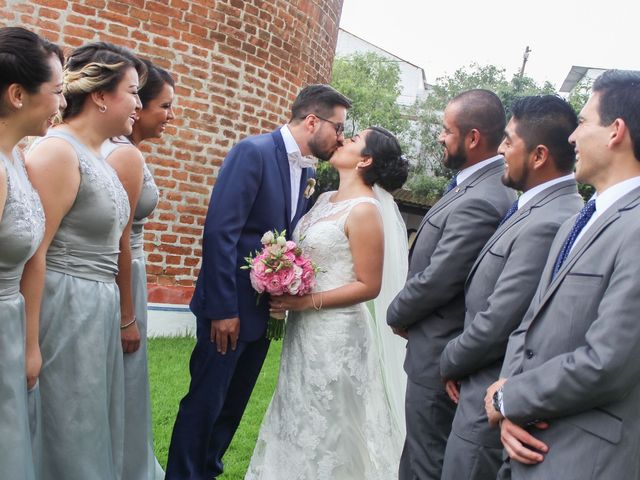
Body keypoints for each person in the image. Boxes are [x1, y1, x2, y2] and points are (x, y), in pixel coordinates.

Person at [165, 84, 352, 479]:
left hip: (264, 313)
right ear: (312, 121)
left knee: (233, 406)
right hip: (229, 310)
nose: (340, 136)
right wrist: (222, 310)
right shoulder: (253, 152)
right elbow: (221, 232)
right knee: (205, 403)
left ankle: (208, 471)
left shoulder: (308, 170)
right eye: (338, 127)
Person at [484, 70, 640, 480]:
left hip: (580, 455)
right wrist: (509, 401)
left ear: (615, 132)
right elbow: (530, 323)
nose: (572, 138)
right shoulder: (580, 220)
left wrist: (512, 398)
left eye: (584, 122)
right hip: (524, 440)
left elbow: (608, 362)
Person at [245, 126, 409, 479]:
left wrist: (305, 303)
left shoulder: (365, 210)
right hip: (303, 332)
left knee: (331, 419)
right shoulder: (323, 199)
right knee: (297, 409)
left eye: (353, 140)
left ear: (365, 160)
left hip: (337, 333)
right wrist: (280, 272)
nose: (343, 140)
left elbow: (369, 285)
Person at [439, 95, 583, 480]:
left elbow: (500, 319)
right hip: (475, 387)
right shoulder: (534, 207)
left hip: (488, 394)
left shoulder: (550, 220)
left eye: (508, 140)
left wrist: (448, 360)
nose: (500, 148)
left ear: (537, 155)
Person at [22, 42, 145, 480]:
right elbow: (34, 252)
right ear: (100, 95)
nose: (138, 104)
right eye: (132, 91)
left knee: (91, 423)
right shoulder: (57, 152)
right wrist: (30, 344)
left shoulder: (100, 156)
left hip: (97, 308)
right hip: (64, 308)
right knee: (65, 423)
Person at [386, 89, 516, 480]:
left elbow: (441, 278)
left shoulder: (485, 196)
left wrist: (395, 312)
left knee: (426, 462)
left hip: (440, 353)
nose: (440, 138)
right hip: (431, 348)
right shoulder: (470, 186)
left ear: (473, 137)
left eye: (446, 130)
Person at [102, 59, 174, 480]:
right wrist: (127, 315)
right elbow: (119, 240)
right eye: (164, 106)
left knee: (128, 381)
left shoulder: (130, 152)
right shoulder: (121, 154)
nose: (170, 116)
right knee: (121, 377)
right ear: (140, 106)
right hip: (123, 275)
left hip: (135, 274)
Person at [0, 26, 64, 480]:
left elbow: (32, 256)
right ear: (18, 94)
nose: (62, 103)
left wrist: (29, 344)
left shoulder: (19, 159)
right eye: (57, 91)